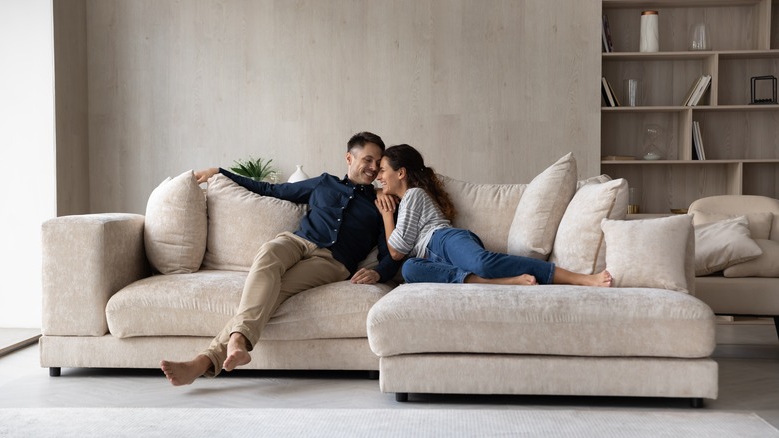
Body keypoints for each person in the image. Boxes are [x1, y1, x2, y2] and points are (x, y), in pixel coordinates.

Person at [160, 132, 402, 386]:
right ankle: (236, 342)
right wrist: (220, 172)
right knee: (268, 253)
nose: (373, 168)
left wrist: (379, 272)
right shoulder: (323, 183)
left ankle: (206, 360)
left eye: (378, 163)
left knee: (275, 292)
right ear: (349, 158)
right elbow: (270, 189)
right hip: (297, 242)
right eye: (368, 160)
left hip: (332, 262)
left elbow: (391, 253)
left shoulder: (381, 203)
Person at [374, 144, 612, 287]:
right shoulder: (404, 203)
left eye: (383, 170)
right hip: (433, 257)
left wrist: (387, 215)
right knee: (409, 270)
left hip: (445, 240)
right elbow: (401, 254)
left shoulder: (414, 195)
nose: (379, 176)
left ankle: (580, 279)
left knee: (482, 263)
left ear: (401, 172)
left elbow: (396, 250)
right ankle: (495, 283)